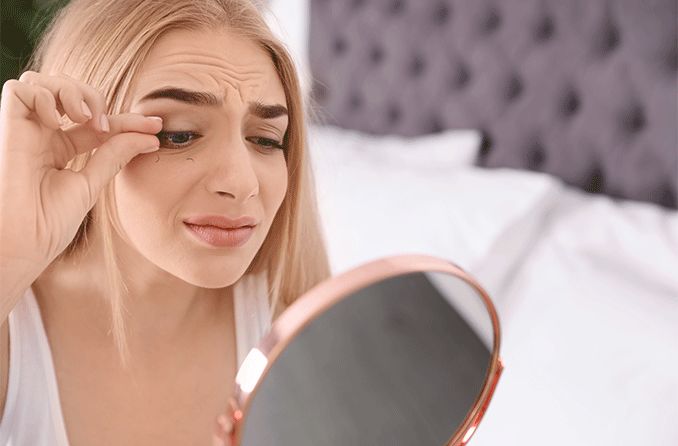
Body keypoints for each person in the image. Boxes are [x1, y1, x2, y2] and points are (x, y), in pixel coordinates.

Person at [0, 0, 331, 444]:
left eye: (265, 139)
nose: (241, 182)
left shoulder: (299, 336)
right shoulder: (12, 339)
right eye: (178, 134)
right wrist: (11, 253)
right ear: (80, 136)